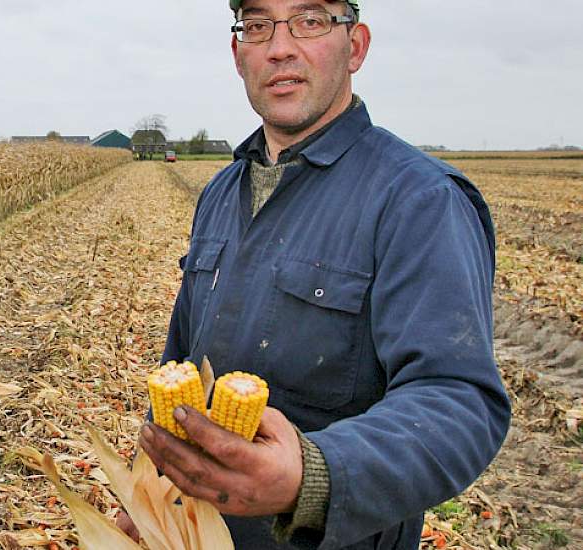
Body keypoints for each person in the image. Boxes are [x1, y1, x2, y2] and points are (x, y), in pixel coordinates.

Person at [118, 1, 512, 548]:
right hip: (193, 533)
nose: (280, 47)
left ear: (356, 47)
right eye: (257, 26)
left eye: (310, 20)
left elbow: (458, 402)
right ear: (238, 54)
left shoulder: (420, 200)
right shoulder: (221, 193)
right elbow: (181, 366)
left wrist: (313, 474)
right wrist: (151, 492)